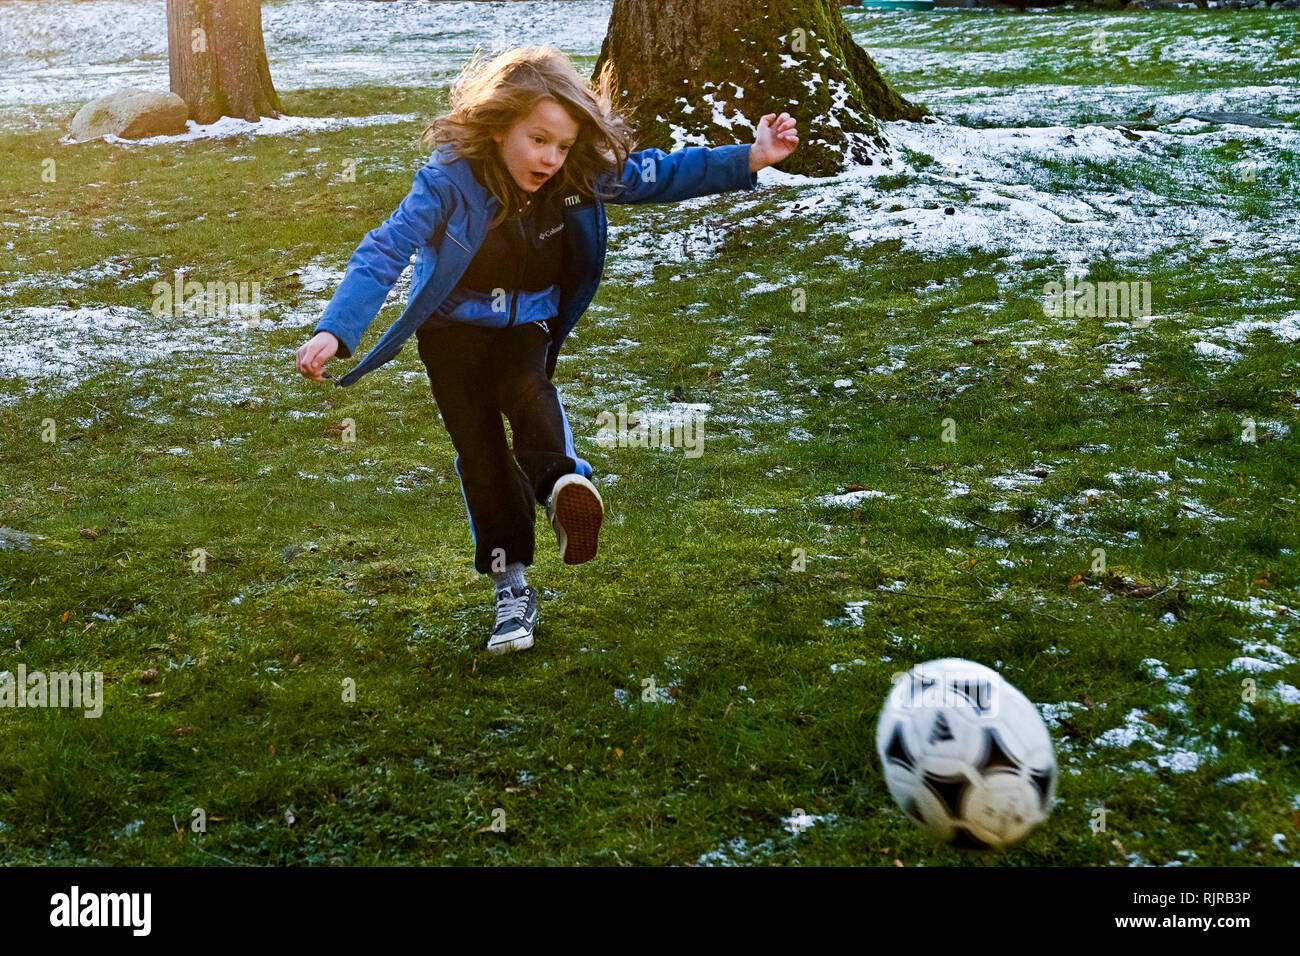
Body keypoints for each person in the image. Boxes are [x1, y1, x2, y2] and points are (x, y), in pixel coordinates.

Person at [295, 46, 798, 655]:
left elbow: (660, 174)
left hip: (526, 324)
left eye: (562, 146)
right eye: (539, 141)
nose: (550, 158)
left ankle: (564, 489)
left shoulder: (575, 174)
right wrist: (336, 328)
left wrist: (750, 157)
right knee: (480, 455)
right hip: (451, 335)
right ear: (500, 124)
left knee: (531, 392)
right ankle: (513, 587)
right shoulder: (449, 178)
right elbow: (384, 249)